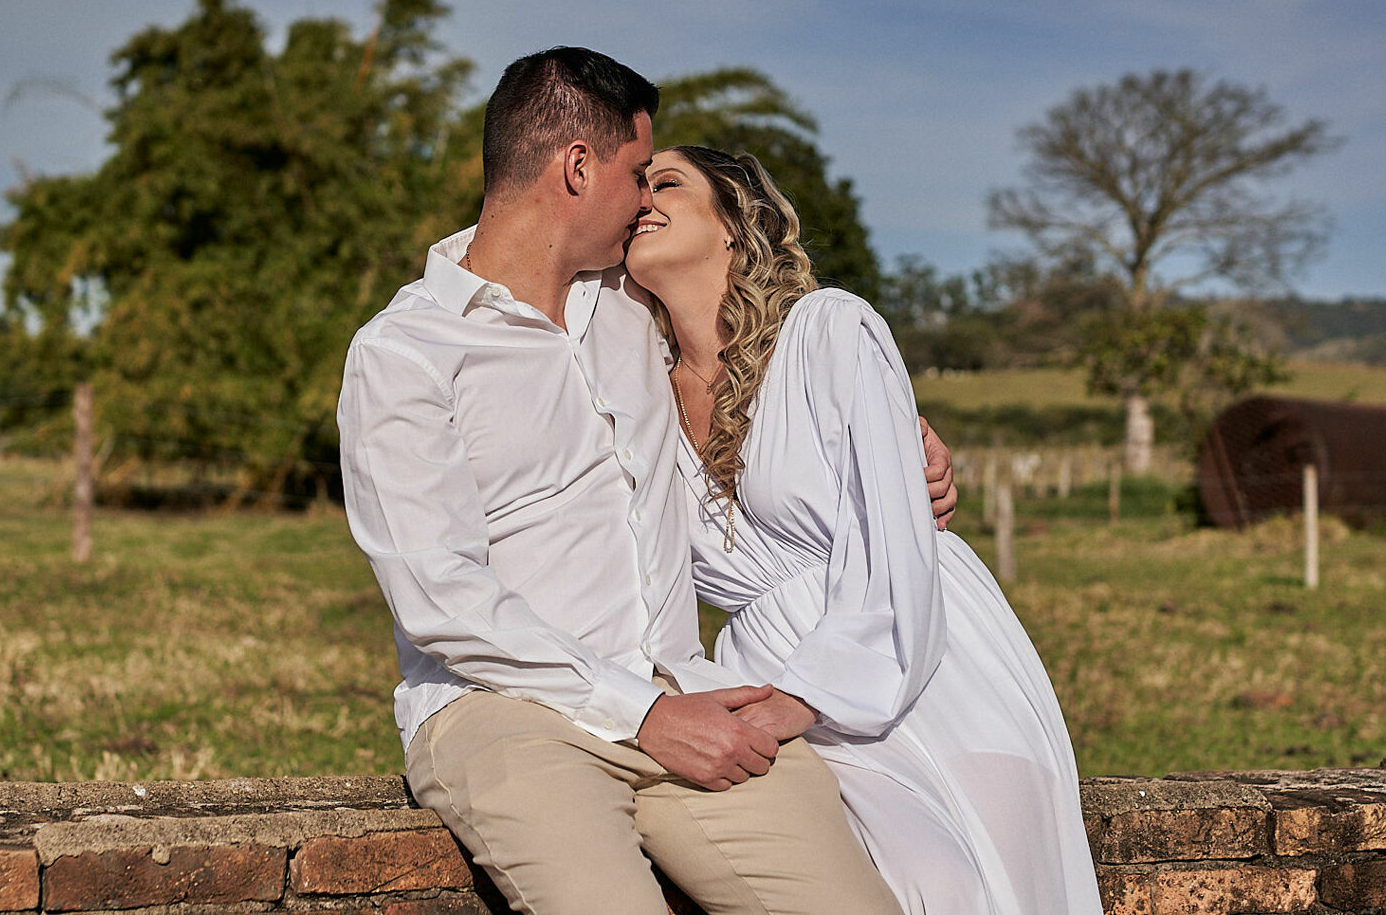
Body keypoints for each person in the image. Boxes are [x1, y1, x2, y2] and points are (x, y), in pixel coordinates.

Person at [339, 48, 923, 915]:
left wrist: (895, 423)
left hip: (680, 692)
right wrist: (641, 715)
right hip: (505, 712)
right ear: (577, 167)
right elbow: (439, 595)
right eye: (637, 174)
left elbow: (754, 345)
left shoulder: (629, 303)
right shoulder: (404, 353)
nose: (647, 200)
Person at [623, 144, 1105, 915]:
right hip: (775, 685)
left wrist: (804, 698)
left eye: (668, 183)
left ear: (735, 227)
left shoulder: (831, 331)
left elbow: (896, 540)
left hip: (929, 658)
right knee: (923, 882)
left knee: (1010, 886)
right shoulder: (631, 394)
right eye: (636, 186)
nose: (642, 197)